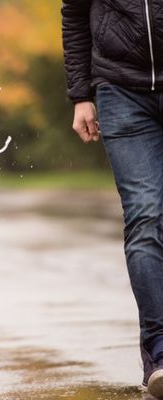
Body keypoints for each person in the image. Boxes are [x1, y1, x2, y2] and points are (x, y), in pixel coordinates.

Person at [61, 1, 163, 398]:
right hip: (120, 90)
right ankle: (159, 352)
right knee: (146, 216)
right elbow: (74, 14)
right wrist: (80, 94)